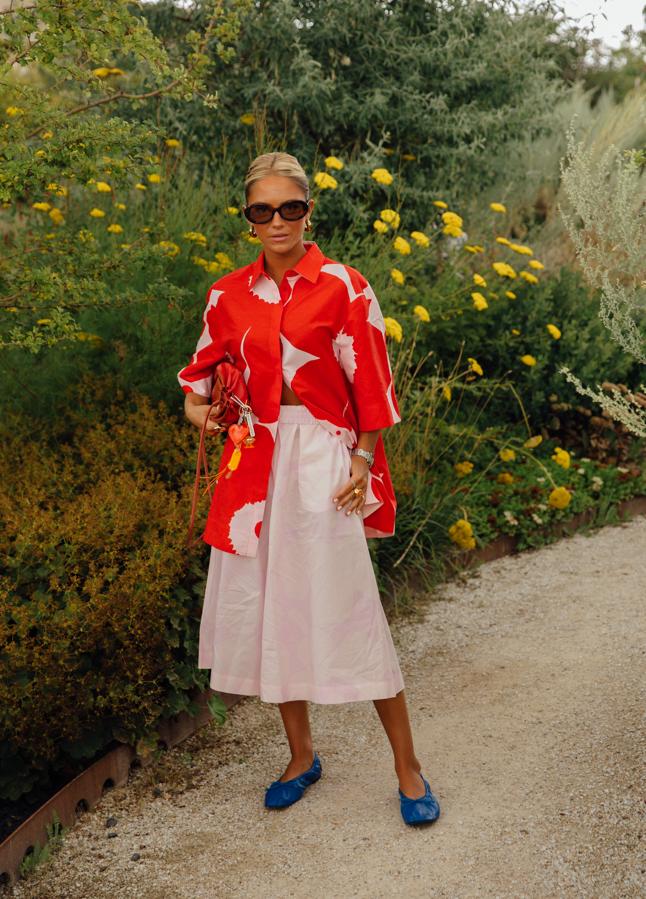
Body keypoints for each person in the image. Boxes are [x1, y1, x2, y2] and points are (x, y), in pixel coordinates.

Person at [177, 151, 440, 825]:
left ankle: (408, 767)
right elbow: (194, 388)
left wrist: (362, 458)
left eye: (289, 207)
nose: (276, 221)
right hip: (253, 467)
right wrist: (211, 416)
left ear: (307, 211)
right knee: (273, 610)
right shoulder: (226, 296)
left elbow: (373, 385)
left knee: (355, 608)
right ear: (249, 219)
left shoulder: (345, 286)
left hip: (324, 461)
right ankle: (301, 757)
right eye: (261, 210)